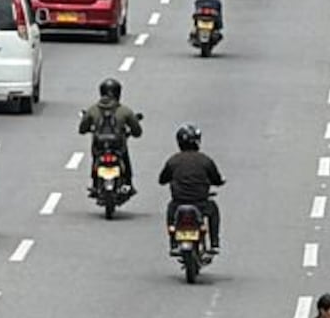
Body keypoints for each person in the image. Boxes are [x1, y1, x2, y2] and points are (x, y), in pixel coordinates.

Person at [158, 122, 223, 253]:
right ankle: (214, 242)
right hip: (201, 203)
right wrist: (219, 182)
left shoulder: (173, 160)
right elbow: (216, 179)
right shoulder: (205, 160)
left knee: (170, 211)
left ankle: (173, 243)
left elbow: (162, 179)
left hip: (178, 202)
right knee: (213, 210)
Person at [78, 78, 143, 194]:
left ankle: (94, 183)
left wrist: (90, 128)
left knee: (95, 157)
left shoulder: (92, 110)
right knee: (125, 158)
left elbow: (82, 129)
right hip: (118, 148)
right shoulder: (124, 111)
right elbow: (137, 132)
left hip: (99, 147)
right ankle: (128, 183)